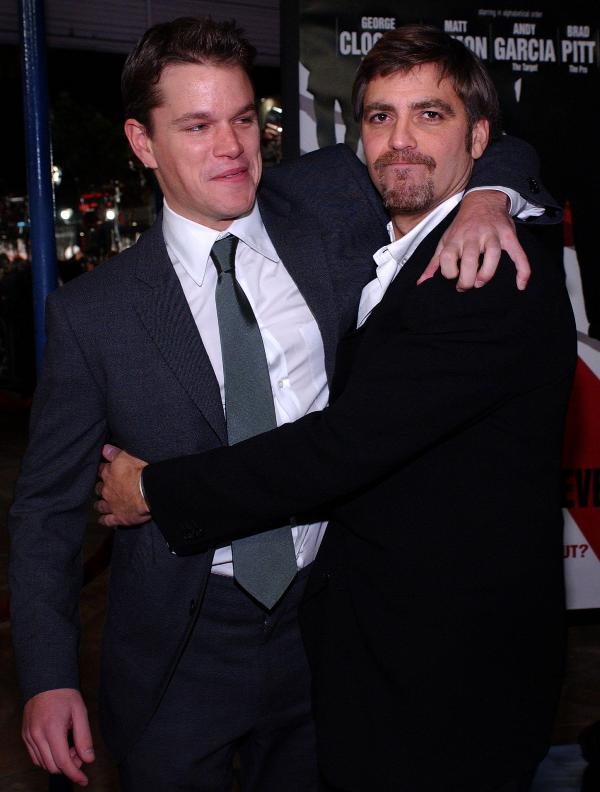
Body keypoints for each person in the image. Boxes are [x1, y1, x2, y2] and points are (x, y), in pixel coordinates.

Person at [10, 16, 559, 792]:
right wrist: (47, 675)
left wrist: (488, 197)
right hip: (180, 647)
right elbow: (46, 507)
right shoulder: (92, 314)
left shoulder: (326, 206)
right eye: (197, 126)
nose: (232, 148)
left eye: (243, 119)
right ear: (142, 141)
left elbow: (471, 139)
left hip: (329, 628)